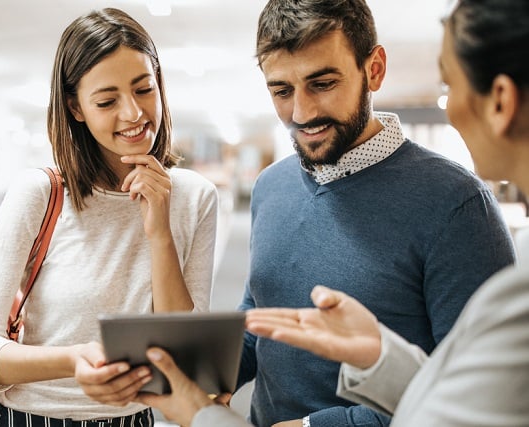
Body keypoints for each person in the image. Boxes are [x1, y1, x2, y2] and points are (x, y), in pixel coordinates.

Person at [136, 0, 529, 426]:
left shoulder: (458, 204)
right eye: (282, 91)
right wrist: (195, 378)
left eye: (322, 83)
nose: (301, 114)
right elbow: (261, 320)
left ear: (373, 69)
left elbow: (476, 396)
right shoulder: (271, 186)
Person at [0, 7, 218, 427]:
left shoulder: (195, 197)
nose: (133, 113)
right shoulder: (40, 193)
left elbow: (185, 358)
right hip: (33, 418)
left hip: (135, 420)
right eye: (107, 101)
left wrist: (159, 233)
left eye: (144, 89)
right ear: (76, 108)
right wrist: (74, 361)